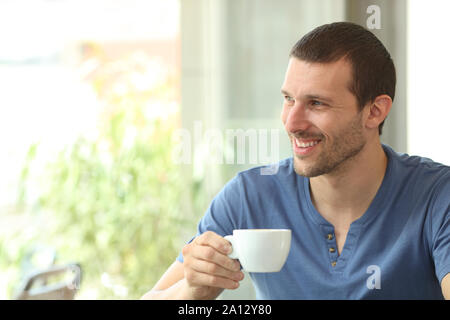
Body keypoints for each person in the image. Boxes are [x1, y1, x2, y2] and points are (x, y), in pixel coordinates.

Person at [141, 22, 450, 300]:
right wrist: (193, 291)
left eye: (316, 103)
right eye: (288, 99)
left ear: (375, 111)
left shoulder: (437, 196)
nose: (292, 122)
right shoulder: (250, 197)